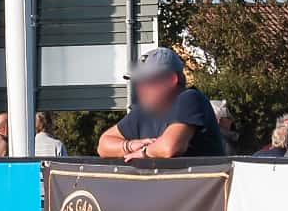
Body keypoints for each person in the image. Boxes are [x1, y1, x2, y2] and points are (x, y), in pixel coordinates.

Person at [97, 46, 228, 160]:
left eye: (147, 81)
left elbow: (170, 147)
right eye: (138, 82)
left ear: (171, 80)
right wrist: (130, 146)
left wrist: (144, 151)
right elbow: (103, 146)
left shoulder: (190, 99)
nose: (140, 89)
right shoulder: (144, 111)